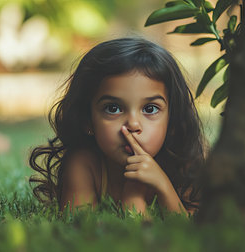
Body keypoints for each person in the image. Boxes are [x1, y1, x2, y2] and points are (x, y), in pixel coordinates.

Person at [29, 37, 205, 215]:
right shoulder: (84, 165)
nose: (133, 124)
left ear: (172, 120)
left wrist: (163, 185)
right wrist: (133, 196)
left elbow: (187, 233)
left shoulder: (184, 163)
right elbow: (81, 230)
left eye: (150, 109)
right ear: (87, 120)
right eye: (113, 108)